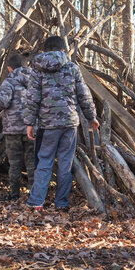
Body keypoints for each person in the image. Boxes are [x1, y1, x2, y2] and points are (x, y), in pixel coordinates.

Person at [24, 36, 99, 210]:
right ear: (63, 50)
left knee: (44, 162)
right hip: (69, 124)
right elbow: (84, 95)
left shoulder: (37, 70)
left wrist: (29, 122)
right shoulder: (72, 68)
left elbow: (32, 98)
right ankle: (61, 203)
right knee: (66, 164)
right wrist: (91, 116)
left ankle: (37, 202)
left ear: (46, 50)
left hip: (47, 124)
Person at [0, 54, 35, 201]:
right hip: (31, 128)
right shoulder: (34, 81)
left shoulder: (9, 82)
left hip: (13, 130)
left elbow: (2, 103)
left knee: (15, 163)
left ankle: (14, 194)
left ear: (9, 68)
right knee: (32, 161)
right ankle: (34, 195)